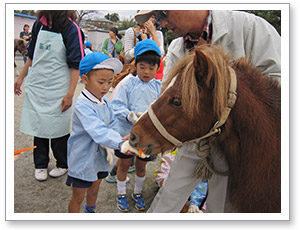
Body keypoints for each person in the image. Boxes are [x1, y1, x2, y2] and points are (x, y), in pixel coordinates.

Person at [135, 10, 281, 213]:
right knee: (167, 198)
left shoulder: (250, 27)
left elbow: (278, 83)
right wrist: (148, 125)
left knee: (221, 207)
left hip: (237, 144)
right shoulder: (178, 47)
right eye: (158, 19)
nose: (162, 22)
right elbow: (167, 96)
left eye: (163, 13)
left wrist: (225, 86)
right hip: (192, 138)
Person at [14, 10, 85, 182]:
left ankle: (62, 163)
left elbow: (76, 65)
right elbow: (31, 55)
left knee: (58, 127)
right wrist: (21, 77)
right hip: (39, 83)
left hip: (59, 85)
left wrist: (70, 94)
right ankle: (40, 164)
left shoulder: (71, 28)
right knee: (39, 125)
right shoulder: (39, 24)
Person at [66, 52, 124, 213]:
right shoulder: (82, 104)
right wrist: (120, 143)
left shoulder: (105, 100)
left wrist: (119, 138)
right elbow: (97, 130)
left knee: (94, 189)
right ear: (85, 79)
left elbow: (113, 123)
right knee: (78, 197)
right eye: (101, 82)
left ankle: (90, 213)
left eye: (110, 82)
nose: (106, 87)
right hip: (83, 158)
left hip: (100, 158)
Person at [111, 39, 162, 212]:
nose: (146, 72)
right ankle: (121, 194)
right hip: (126, 132)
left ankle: (138, 193)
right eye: (142, 67)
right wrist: (129, 116)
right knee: (123, 165)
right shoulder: (127, 83)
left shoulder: (159, 86)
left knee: (141, 165)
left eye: (151, 68)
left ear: (157, 68)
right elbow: (116, 105)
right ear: (135, 65)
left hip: (147, 137)